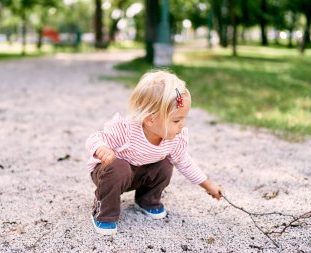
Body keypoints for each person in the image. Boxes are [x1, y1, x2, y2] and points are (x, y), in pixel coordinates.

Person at [85, 70, 223, 235]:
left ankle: (147, 199)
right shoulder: (126, 129)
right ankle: (104, 212)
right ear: (150, 120)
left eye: (184, 119)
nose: (182, 125)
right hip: (111, 173)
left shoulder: (174, 138)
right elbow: (94, 138)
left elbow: (185, 162)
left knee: (165, 165)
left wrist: (208, 186)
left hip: (139, 174)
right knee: (118, 167)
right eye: (176, 120)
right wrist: (102, 149)